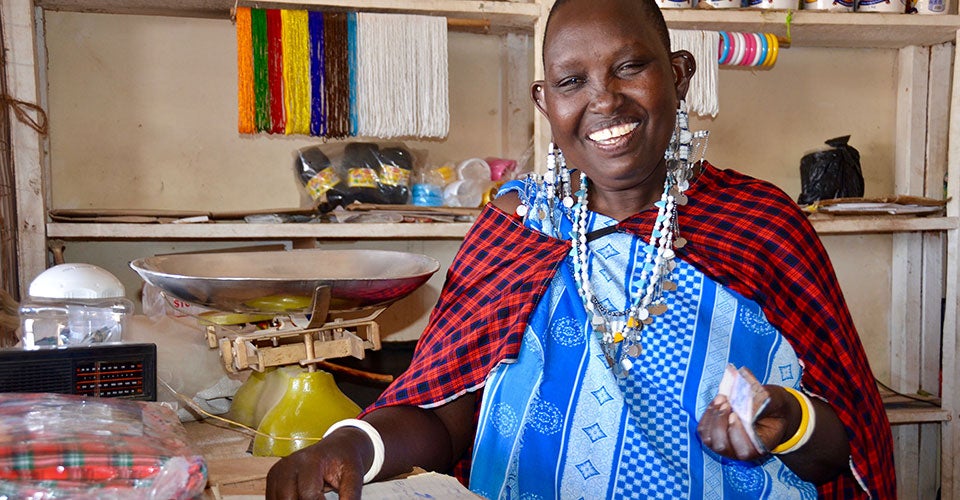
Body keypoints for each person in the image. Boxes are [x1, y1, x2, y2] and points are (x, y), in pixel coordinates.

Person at [266, 0, 896, 497]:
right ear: (546, 101)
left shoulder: (760, 226)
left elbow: (847, 445)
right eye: (573, 80)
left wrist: (789, 420)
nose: (604, 99)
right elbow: (440, 414)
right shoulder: (516, 230)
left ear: (677, 76)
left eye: (630, 66)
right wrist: (347, 446)